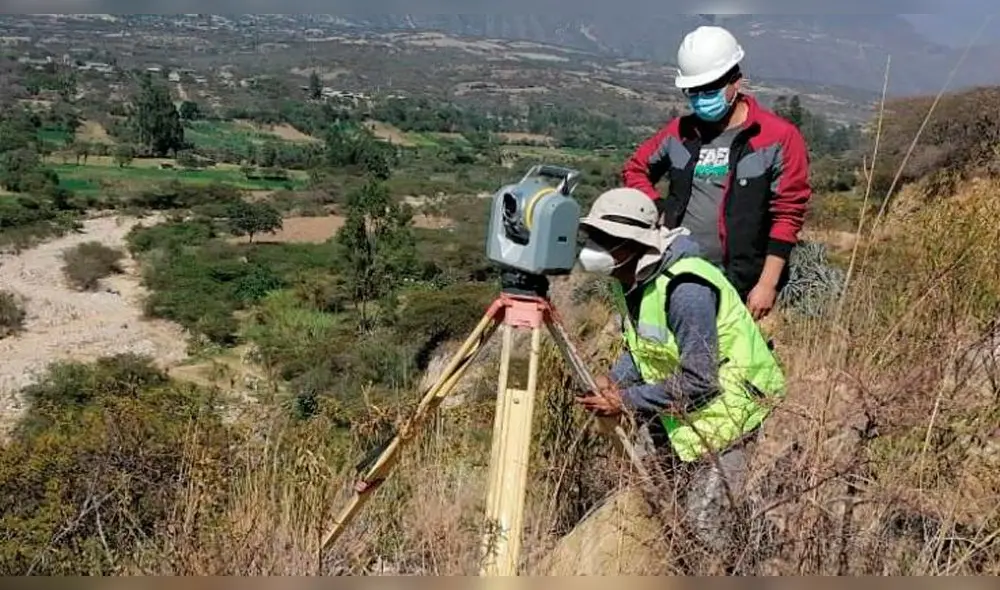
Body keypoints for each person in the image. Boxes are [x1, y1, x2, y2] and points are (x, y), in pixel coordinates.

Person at [573, 186, 786, 553]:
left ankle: (746, 558)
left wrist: (624, 399)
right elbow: (644, 348)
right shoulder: (630, 282)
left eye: (607, 240)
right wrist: (616, 379)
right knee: (656, 501)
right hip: (679, 403)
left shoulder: (686, 291)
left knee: (705, 524)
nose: (597, 249)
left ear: (635, 245)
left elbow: (701, 380)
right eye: (595, 238)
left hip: (729, 410)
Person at [621, 25, 813, 321]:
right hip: (676, 272)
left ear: (735, 82)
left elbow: (787, 214)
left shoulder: (776, 138)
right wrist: (654, 207)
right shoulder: (679, 134)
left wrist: (767, 284)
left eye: (709, 90)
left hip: (740, 283)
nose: (700, 99)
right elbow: (635, 169)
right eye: (693, 92)